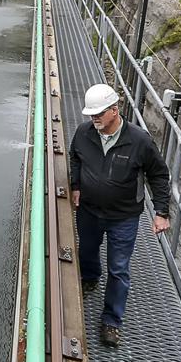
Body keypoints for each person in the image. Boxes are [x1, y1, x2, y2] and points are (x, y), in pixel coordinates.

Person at [69, 83, 171, 347]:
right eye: (91, 114)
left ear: (115, 110)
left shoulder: (139, 141)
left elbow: (159, 175)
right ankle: (90, 278)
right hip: (89, 210)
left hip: (123, 217)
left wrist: (161, 212)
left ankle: (112, 321)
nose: (94, 118)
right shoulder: (83, 133)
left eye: (99, 113)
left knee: (118, 268)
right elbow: (75, 157)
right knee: (87, 250)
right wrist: (76, 185)